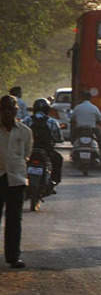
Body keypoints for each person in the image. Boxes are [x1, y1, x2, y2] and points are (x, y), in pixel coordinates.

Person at [0, 96, 32, 269]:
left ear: (16, 111)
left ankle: (13, 257)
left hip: (17, 179)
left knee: (14, 220)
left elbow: (26, 153)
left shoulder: (25, 131)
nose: (7, 112)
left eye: (11, 109)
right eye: (4, 109)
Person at [24, 98, 63, 191]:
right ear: (47, 109)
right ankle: (53, 181)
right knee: (58, 159)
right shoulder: (52, 122)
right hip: (46, 151)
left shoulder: (26, 120)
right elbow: (59, 138)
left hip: (29, 150)